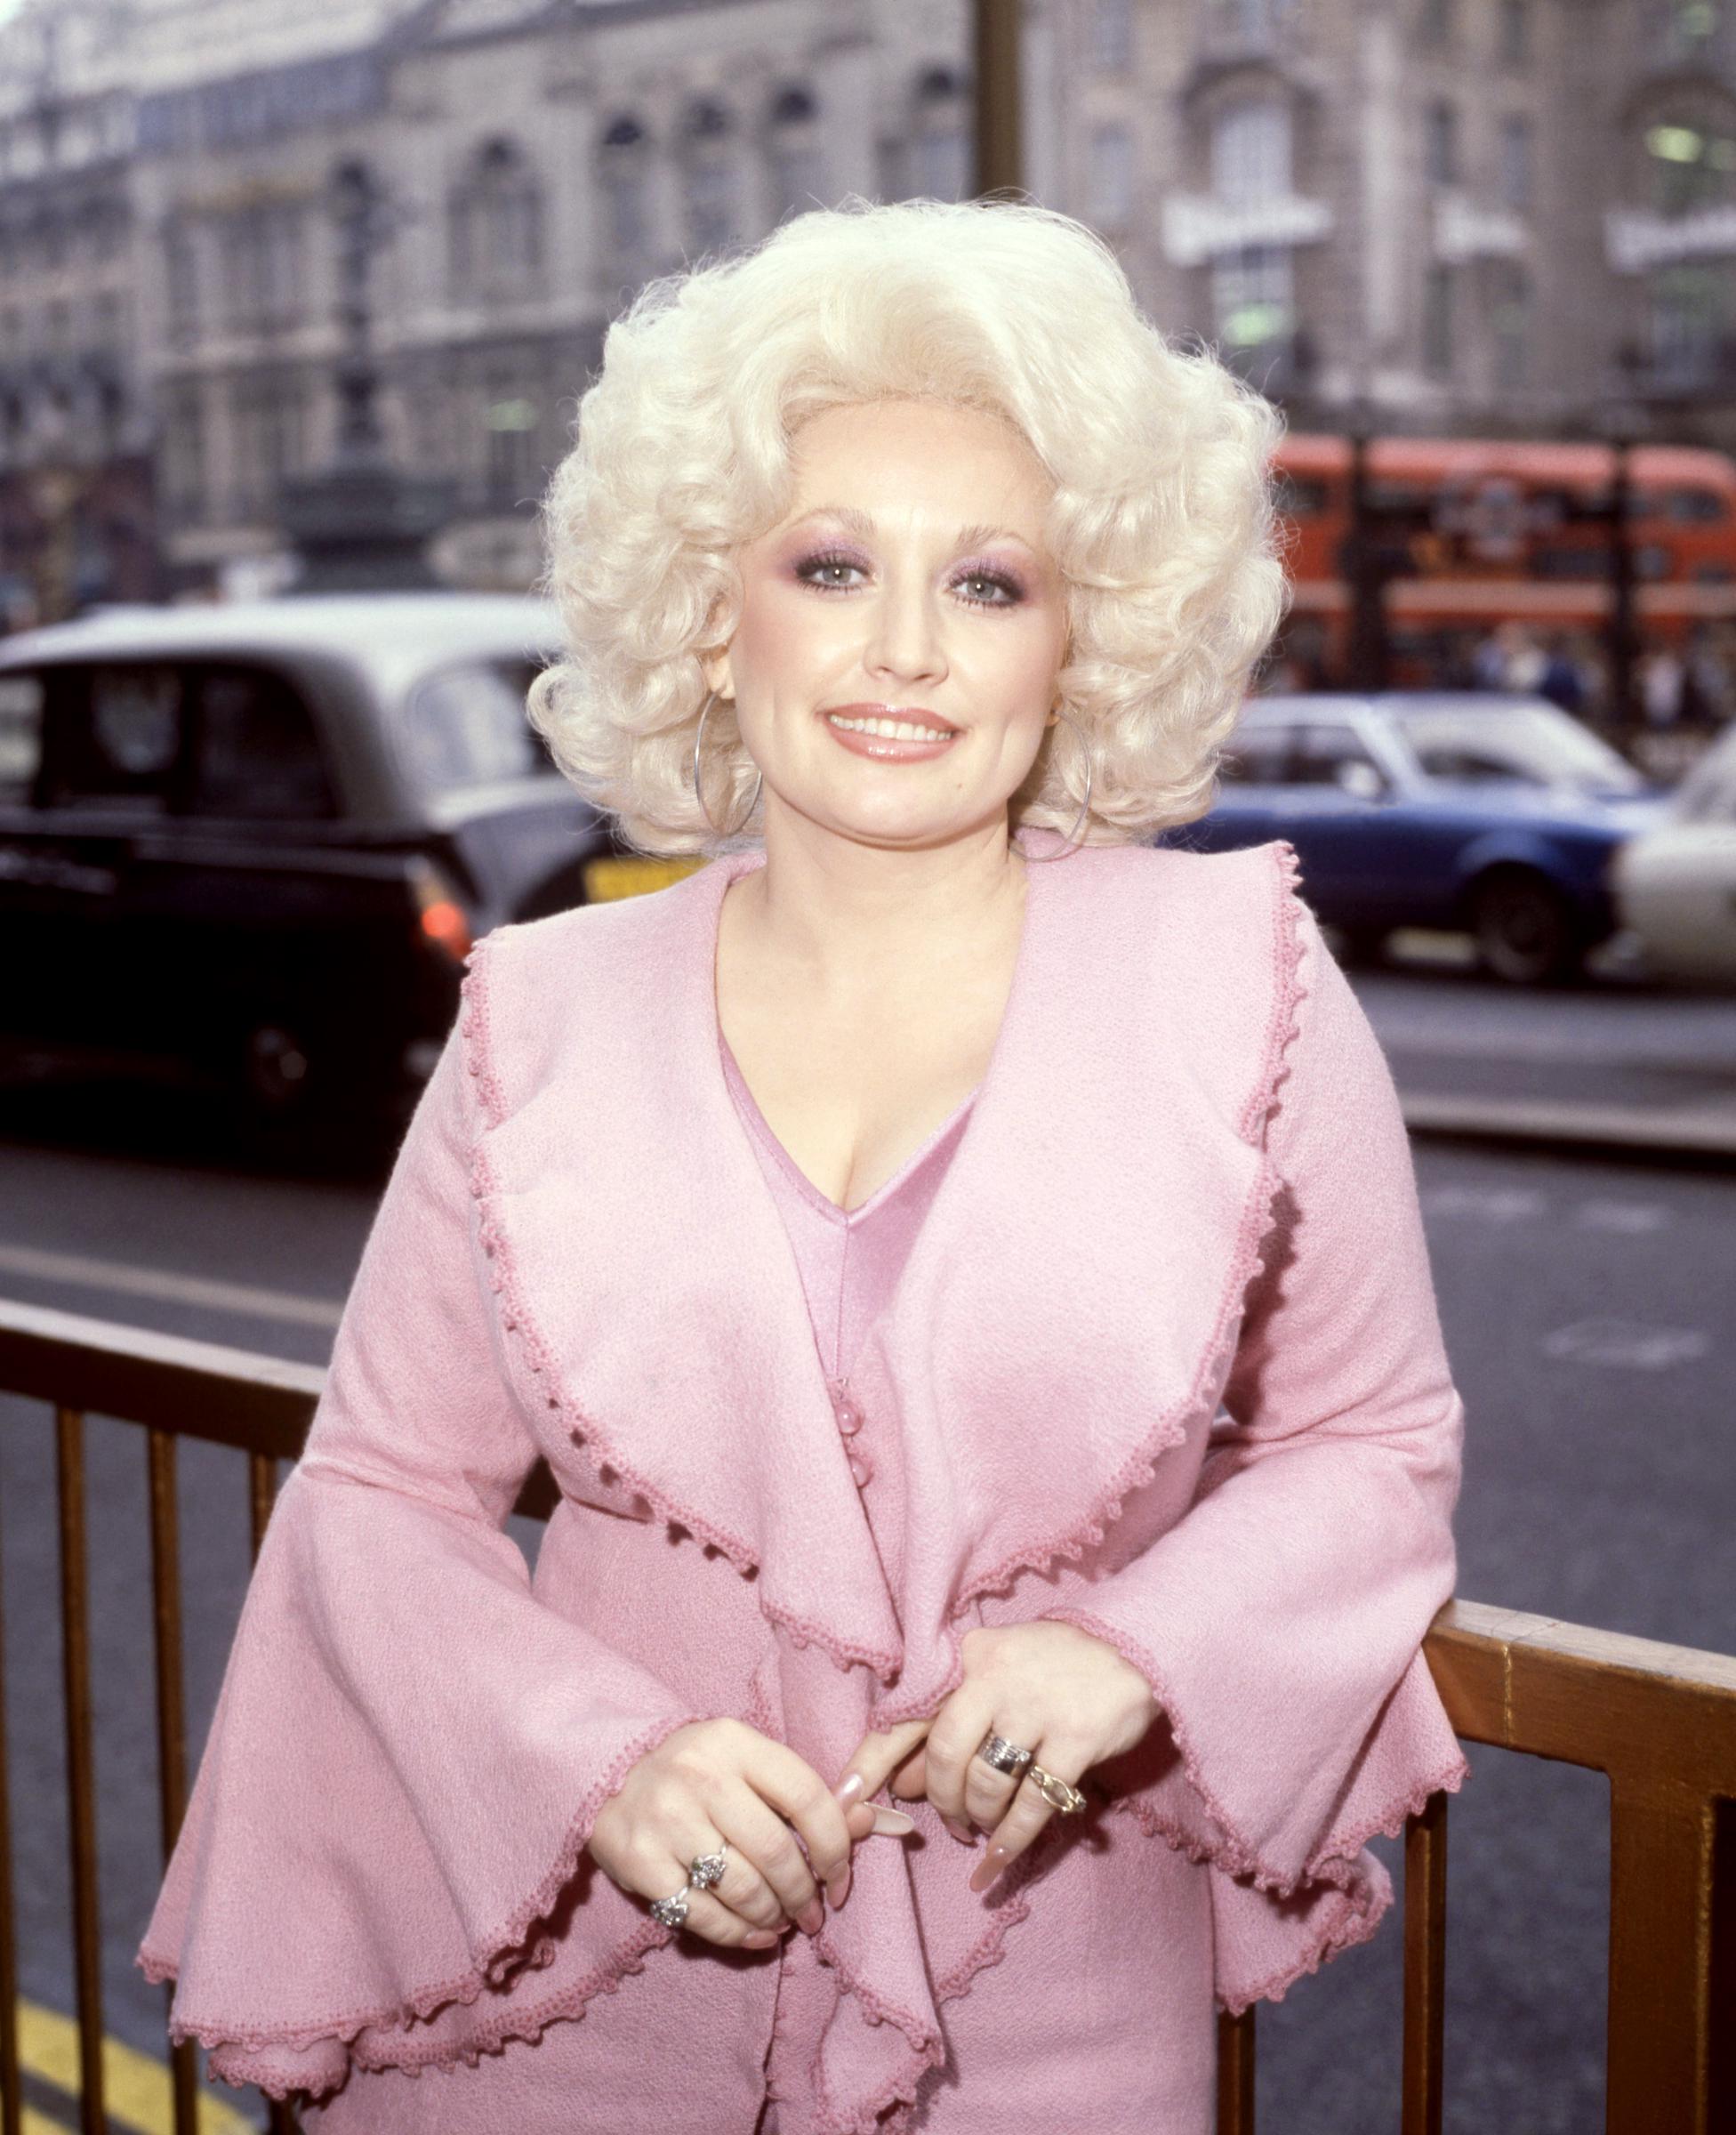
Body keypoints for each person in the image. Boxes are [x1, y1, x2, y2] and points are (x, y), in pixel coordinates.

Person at [136, 197, 1469, 2134]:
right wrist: (599, 1762)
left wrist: (1136, 1653)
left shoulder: (1240, 979)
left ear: (1087, 635)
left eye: (990, 583)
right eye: (832, 565)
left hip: (1045, 2005)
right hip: (580, 2001)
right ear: (710, 605)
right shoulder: (539, 1013)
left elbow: (1371, 1442)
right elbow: (379, 1491)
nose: (906, 650)